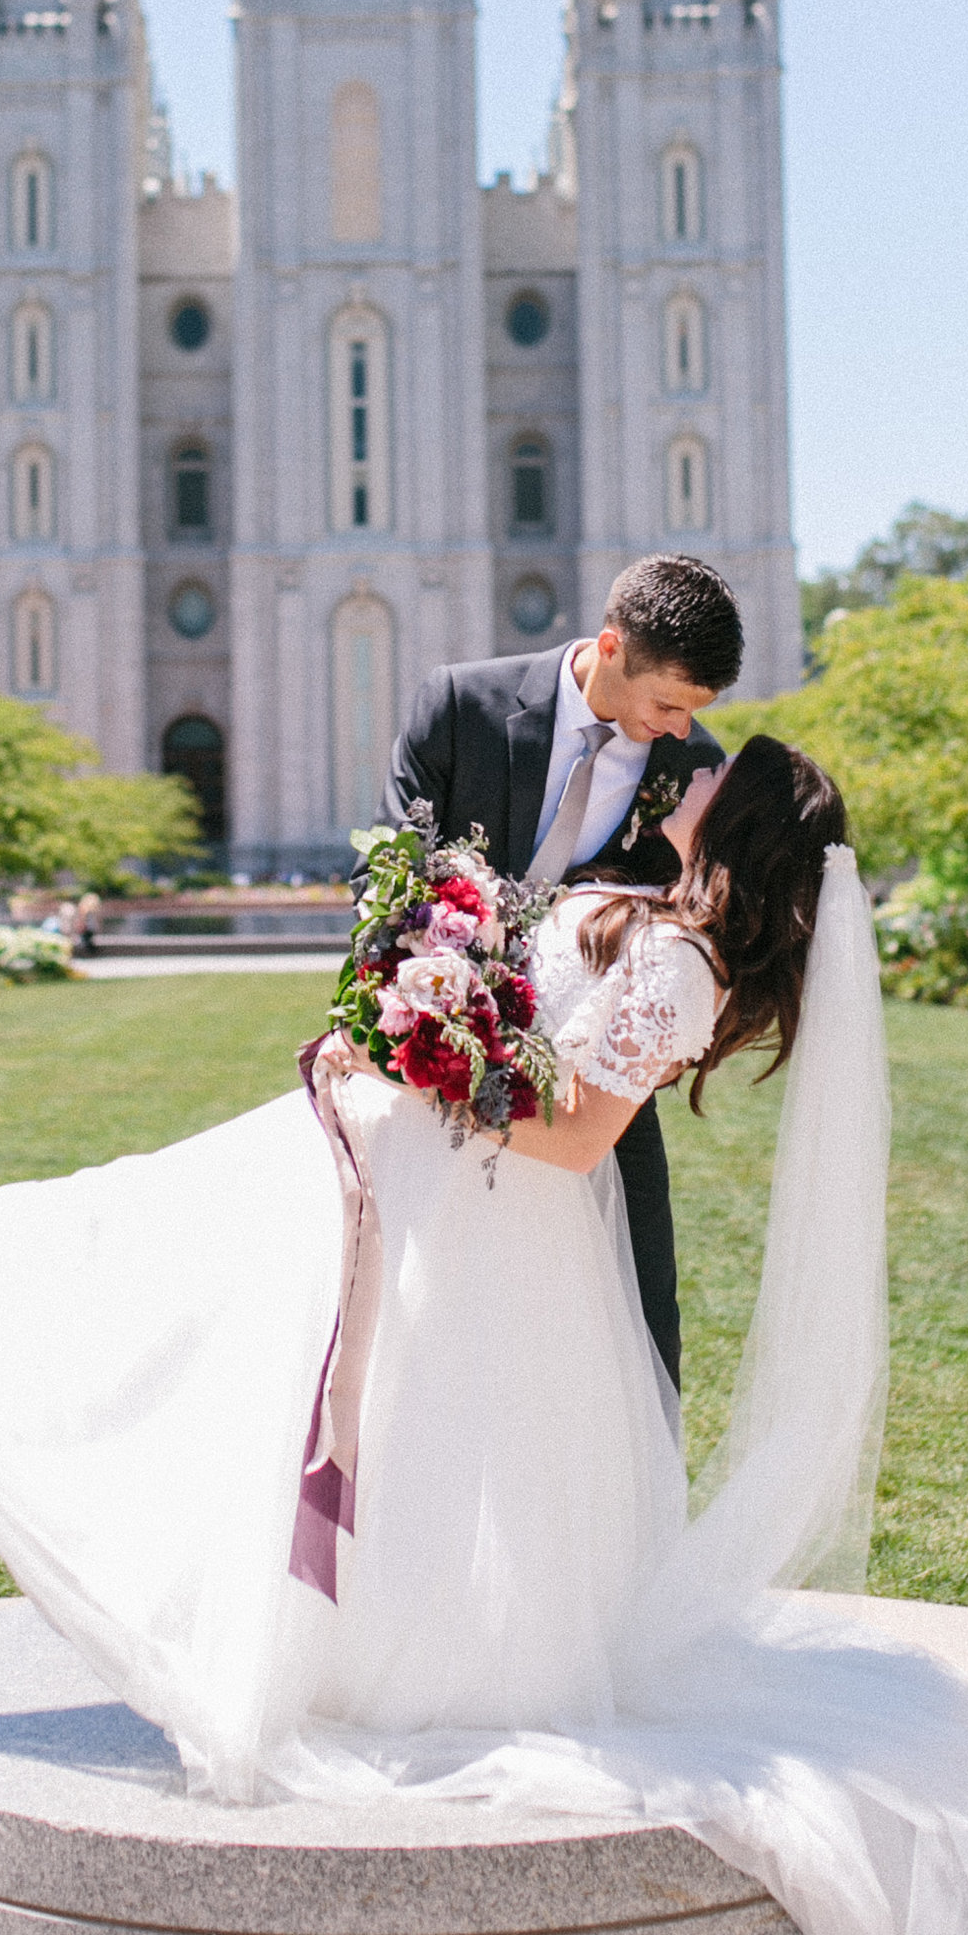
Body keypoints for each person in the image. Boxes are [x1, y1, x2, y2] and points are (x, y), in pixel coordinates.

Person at [0, 731, 968, 1935]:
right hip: (415, 1182)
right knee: (178, 1240)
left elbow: (582, 1129)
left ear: (741, 816)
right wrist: (435, 971)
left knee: (215, 1278)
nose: (689, 769)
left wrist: (434, 1069)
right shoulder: (647, 912)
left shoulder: (686, 966)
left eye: (715, 770)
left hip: (477, 1224)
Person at [381, 551, 742, 1394]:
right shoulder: (461, 704)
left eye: (696, 711)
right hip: (442, 1073)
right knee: (435, 1329)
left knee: (640, 1339)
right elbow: (391, 880)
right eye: (668, 705)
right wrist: (439, 1019)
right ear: (611, 647)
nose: (683, 728)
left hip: (597, 1099)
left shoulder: (689, 768)